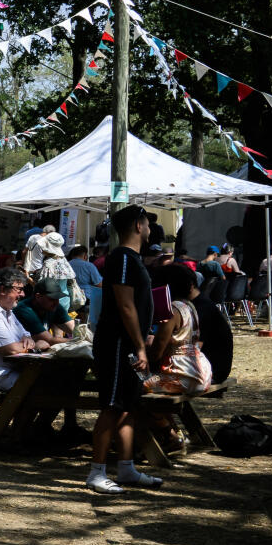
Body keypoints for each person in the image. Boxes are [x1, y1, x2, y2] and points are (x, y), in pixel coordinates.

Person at [88, 205, 165, 496]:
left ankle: (126, 467)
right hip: (117, 344)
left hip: (130, 343)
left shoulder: (133, 259)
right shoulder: (121, 257)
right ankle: (96, 472)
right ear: (137, 226)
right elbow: (125, 305)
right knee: (111, 406)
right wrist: (138, 344)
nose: (149, 228)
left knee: (127, 406)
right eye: (146, 223)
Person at [141, 263, 211, 398]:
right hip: (201, 371)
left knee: (136, 385)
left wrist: (142, 353)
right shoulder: (190, 306)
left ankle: (158, 419)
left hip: (183, 375)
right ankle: (161, 418)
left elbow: (156, 352)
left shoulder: (172, 311)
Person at [69, 244, 103, 325]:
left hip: (68, 298)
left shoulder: (66, 265)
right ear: (85, 255)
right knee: (82, 324)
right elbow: (99, 284)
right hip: (84, 299)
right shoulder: (89, 266)